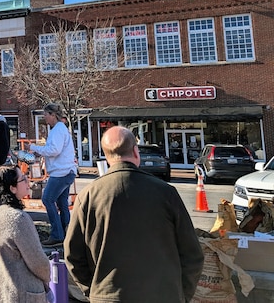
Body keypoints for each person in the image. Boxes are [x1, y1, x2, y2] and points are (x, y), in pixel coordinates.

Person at [64, 126, 204, 302]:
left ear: (106, 157)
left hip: (109, 296)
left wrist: (95, 291)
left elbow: (73, 255)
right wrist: (181, 294)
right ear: (136, 152)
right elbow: (192, 255)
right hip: (163, 295)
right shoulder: (166, 193)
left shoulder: (89, 196)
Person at [0, 165, 51, 302]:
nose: (28, 182)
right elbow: (38, 262)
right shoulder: (17, 218)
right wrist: (48, 276)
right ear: (12, 188)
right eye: (23, 179)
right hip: (22, 293)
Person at [29, 103, 76, 246]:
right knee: (62, 203)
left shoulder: (57, 130)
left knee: (47, 199)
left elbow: (54, 150)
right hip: (66, 171)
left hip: (61, 172)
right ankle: (67, 233)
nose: (45, 118)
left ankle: (57, 234)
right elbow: (54, 149)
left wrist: (34, 147)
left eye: (46, 115)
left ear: (53, 115)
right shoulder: (61, 129)